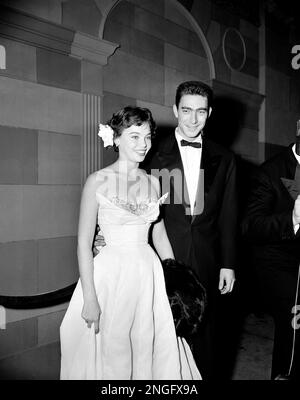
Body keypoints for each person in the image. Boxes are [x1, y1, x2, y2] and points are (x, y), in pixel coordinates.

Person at [60, 106, 201, 380]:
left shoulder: (153, 182)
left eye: (147, 137)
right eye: (134, 137)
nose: (143, 144)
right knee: (114, 348)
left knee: (147, 343)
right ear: (116, 138)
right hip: (111, 276)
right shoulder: (97, 181)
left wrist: (175, 278)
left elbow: (159, 235)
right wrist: (90, 297)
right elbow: (83, 243)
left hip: (148, 274)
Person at [141, 81, 238, 379]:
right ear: (174, 110)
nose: (192, 119)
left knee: (207, 338)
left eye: (200, 112)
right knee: (163, 337)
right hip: (164, 256)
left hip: (209, 259)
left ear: (210, 114)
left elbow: (229, 214)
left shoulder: (225, 157)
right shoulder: (152, 153)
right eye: (186, 111)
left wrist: (228, 264)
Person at [242, 142, 300, 380]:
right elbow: (251, 225)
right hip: (278, 262)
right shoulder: (270, 171)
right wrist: (293, 219)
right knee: (294, 328)